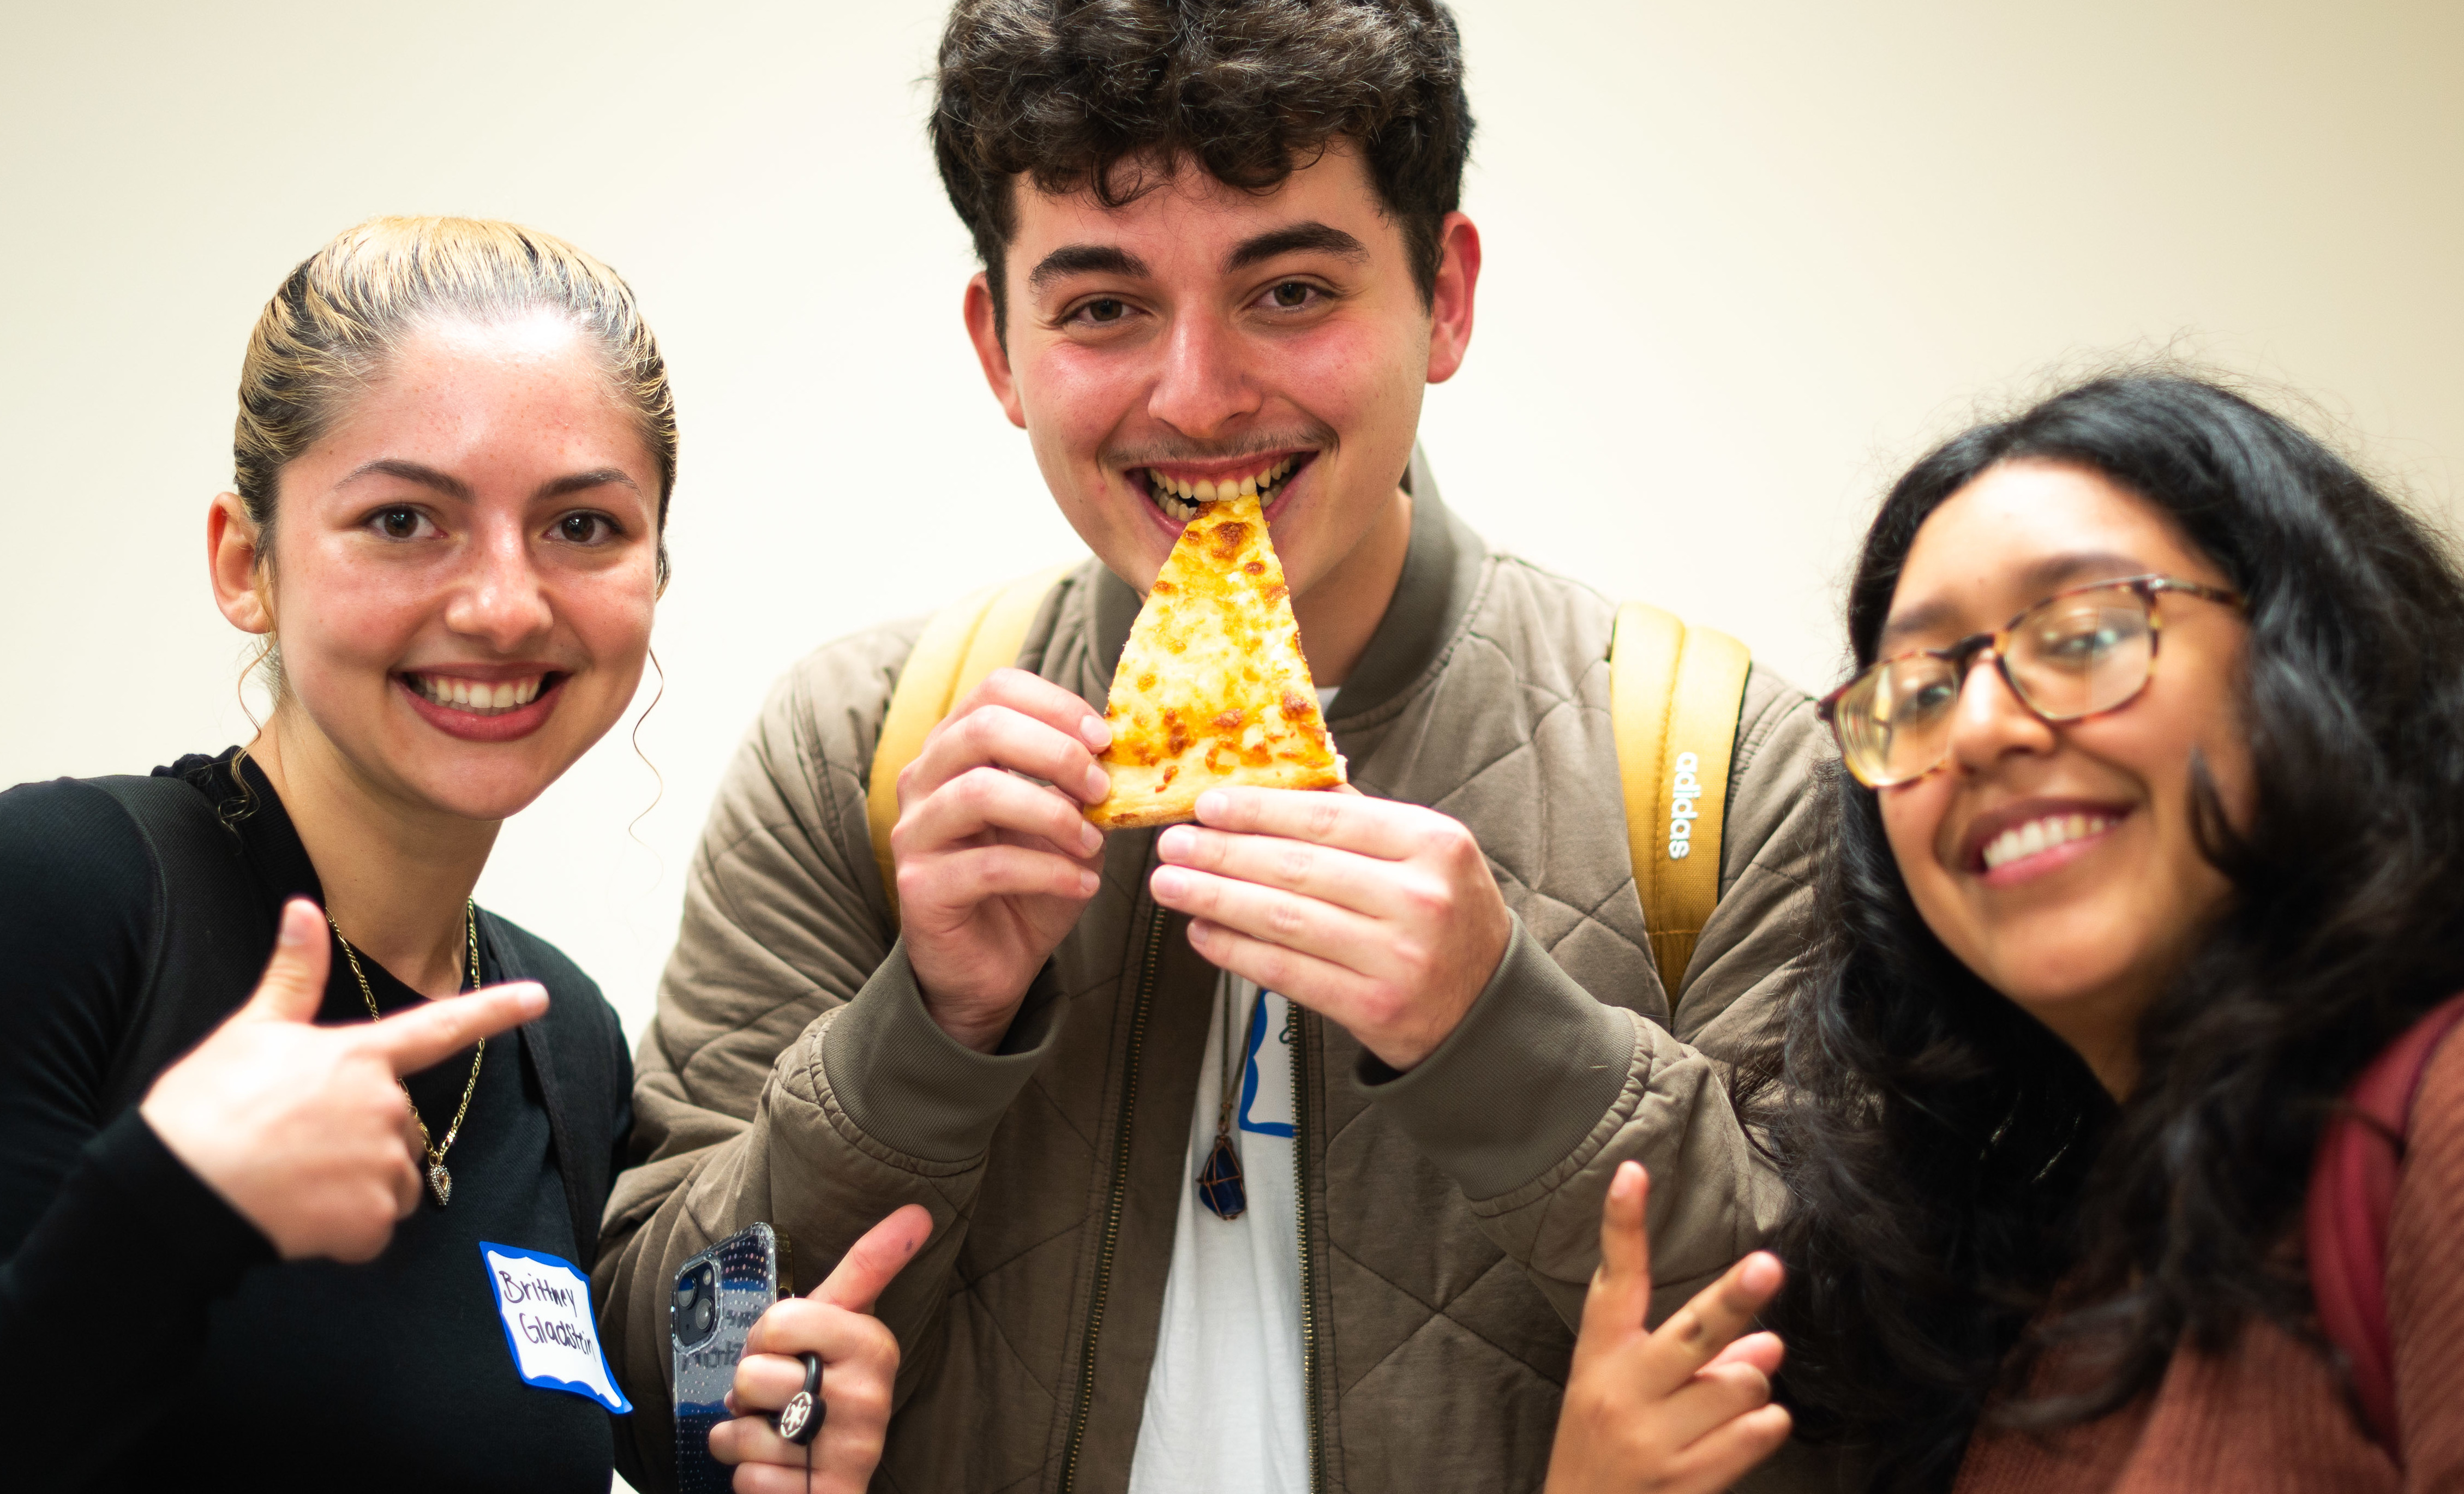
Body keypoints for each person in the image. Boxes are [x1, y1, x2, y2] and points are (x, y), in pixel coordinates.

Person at [592, 2, 1833, 1490]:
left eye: (1290, 289)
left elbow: (1854, 1398)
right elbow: (675, 1395)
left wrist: (1502, 1035)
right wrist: (919, 1030)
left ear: (1441, 295)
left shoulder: (1711, 770)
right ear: (1000, 346)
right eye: (1102, 307)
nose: (1195, 395)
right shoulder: (858, 748)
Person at [1561, 371, 2464, 1493]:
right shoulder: (2039, 1272)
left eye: (2080, 635)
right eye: (1918, 692)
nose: (1975, 729)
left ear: (2306, 660)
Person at [0, 215, 901, 1493]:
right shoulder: (61, 894)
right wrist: (166, 1203)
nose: (503, 603)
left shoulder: (559, 1038)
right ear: (245, 561)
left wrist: (756, 1462)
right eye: (406, 519)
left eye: (581, 527)